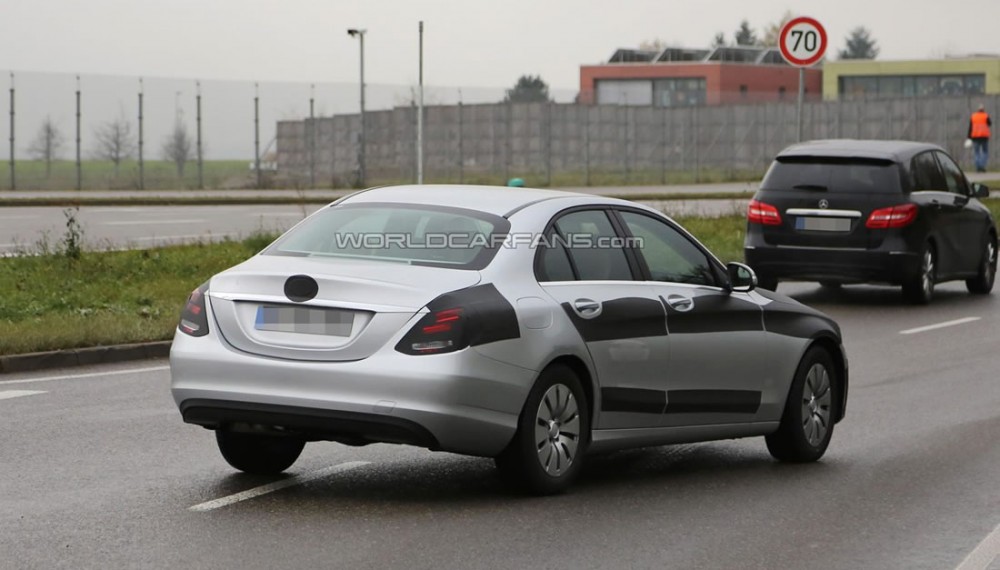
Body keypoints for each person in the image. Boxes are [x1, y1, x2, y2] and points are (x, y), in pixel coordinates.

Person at [968, 104, 992, 172]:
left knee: (976, 153)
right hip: (984, 137)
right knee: (985, 152)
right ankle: (982, 165)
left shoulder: (973, 116)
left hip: (975, 137)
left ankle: (978, 167)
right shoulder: (986, 116)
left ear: (978, 110)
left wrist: (969, 137)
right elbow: (990, 123)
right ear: (983, 109)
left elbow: (970, 127)